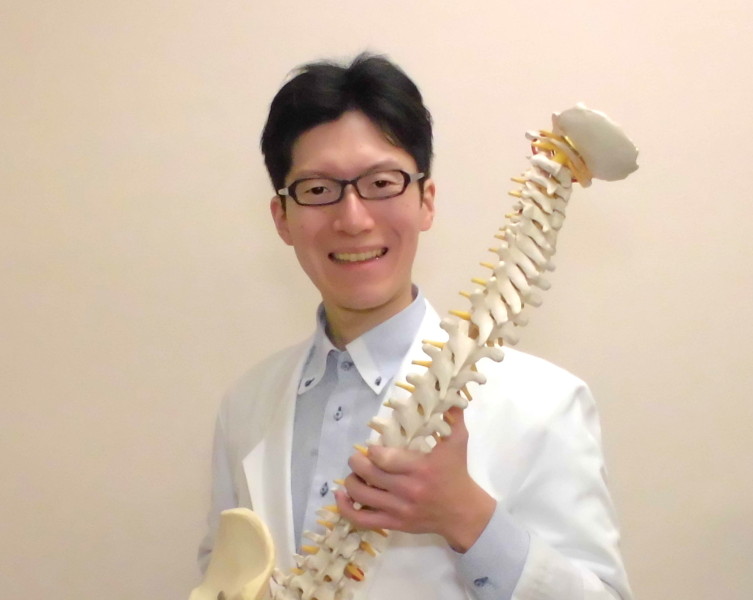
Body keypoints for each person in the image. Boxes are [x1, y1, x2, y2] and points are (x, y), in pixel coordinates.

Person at [199, 53, 632, 600]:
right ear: (282, 218)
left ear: (426, 201)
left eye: (382, 182)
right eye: (317, 190)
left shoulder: (548, 404)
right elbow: (220, 574)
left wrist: (466, 516)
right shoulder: (245, 406)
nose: (353, 219)